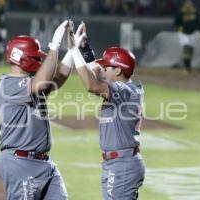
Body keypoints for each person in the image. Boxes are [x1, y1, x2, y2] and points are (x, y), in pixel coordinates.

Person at [0, 20, 85, 200]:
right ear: (21, 57)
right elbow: (42, 82)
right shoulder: (8, 84)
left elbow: (57, 78)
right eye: (36, 57)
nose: (39, 60)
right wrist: (54, 46)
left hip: (44, 164)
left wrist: (72, 50)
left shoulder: (32, 83)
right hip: (19, 162)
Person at [68, 22, 145, 199]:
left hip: (122, 165)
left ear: (118, 70)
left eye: (106, 67)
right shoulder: (123, 87)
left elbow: (91, 84)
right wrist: (84, 50)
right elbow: (95, 70)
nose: (102, 70)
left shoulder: (125, 91)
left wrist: (73, 51)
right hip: (120, 163)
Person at [174, 0, 200, 73]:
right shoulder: (181, 11)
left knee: (190, 49)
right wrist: (179, 28)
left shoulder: (195, 12)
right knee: (186, 48)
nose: (189, 4)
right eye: (187, 3)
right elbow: (176, 22)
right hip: (183, 33)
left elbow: (199, 23)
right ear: (184, 4)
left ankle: (188, 67)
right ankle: (186, 67)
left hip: (192, 33)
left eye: (190, 3)